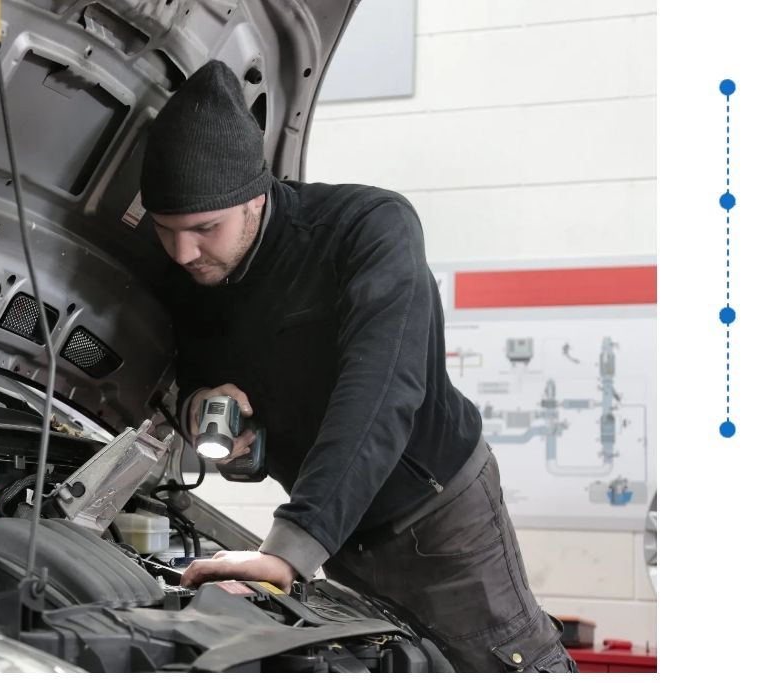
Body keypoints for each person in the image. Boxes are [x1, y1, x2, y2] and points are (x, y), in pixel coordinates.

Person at [140, 60, 574, 673]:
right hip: (336, 533)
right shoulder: (188, 274)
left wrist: (290, 549)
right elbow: (177, 373)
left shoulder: (366, 229)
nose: (183, 252)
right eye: (166, 231)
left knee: (502, 664)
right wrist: (202, 414)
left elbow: (381, 389)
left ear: (256, 196)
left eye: (204, 229)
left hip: (437, 519)